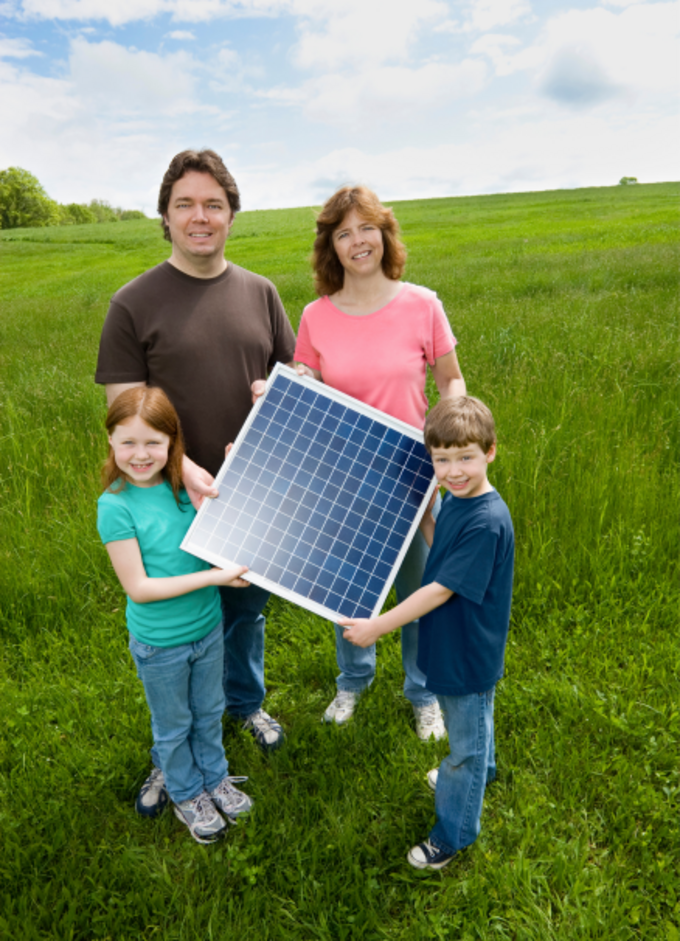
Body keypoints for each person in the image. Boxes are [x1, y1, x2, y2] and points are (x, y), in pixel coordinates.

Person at [95, 149, 296, 813]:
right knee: (174, 629)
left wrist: (281, 400)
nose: (200, 216)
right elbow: (125, 407)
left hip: (251, 488)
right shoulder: (133, 303)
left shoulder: (261, 292)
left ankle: (244, 704)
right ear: (165, 215)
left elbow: (293, 383)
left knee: (244, 608)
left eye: (213, 203)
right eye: (186, 203)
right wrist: (182, 466)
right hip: (168, 499)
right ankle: (169, 753)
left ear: (232, 214)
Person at [294, 185, 466, 739]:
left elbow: (450, 380)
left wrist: (450, 429)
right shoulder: (316, 317)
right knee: (347, 588)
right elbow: (309, 384)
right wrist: (289, 385)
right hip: (344, 478)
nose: (356, 241)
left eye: (365, 227)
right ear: (331, 247)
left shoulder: (423, 304)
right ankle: (353, 679)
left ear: (384, 233)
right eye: (343, 233)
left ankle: (422, 691)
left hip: (413, 473)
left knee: (419, 591)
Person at [340, 396, 514, 870]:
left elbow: (438, 589)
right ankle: (484, 770)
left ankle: (453, 835)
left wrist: (378, 625)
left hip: (467, 652)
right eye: (441, 459)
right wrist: (425, 518)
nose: (453, 470)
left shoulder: (487, 521)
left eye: (465, 457)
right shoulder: (459, 502)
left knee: (462, 745)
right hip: (456, 643)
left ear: (490, 452)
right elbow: (442, 552)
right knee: (476, 721)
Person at [97, 386, 255, 844]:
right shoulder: (115, 506)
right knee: (174, 725)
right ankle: (187, 794)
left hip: (207, 630)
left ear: (172, 444)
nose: (140, 455)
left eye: (153, 443)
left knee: (208, 711)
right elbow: (140, 589)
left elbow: (217, 536)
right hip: (159, 643)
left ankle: (214, 778)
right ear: (110, 442)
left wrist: (235, 476)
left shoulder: (183, 491)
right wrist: (214, 580)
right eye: (128, 442)